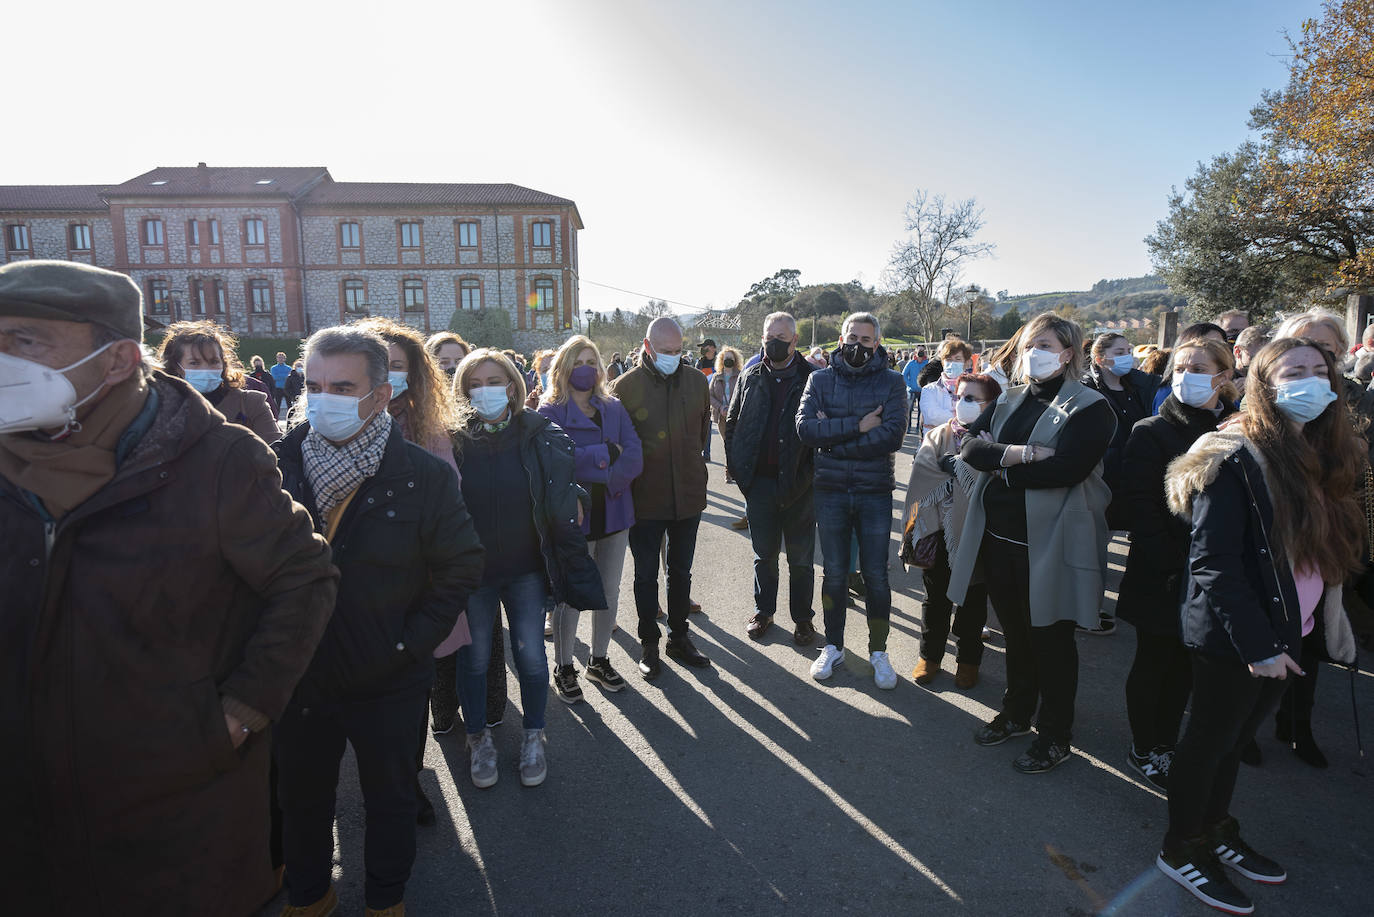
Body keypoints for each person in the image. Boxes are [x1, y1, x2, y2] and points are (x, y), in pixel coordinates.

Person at [0, 260, 338, 916]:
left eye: (26, 340)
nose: (3, 359)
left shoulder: (217, 461)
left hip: (178, 822)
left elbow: (305, 579)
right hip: (26, 833)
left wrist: (238, 714)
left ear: (118, 359)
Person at [273, 325, 482, 917]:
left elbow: (460, 567)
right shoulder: (274, 463)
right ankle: (310, 896)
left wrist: (410, 645)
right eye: (314, 385)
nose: (324, 399)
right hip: (300, 675)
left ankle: (386, 900)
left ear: (381, 395)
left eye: (342, 386)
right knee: (302, 798)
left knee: (389, 799)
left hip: (389, 675)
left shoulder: (424, 474)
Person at [1155, 336, 1362, 915]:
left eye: (1321, 370)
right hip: (1239, 634)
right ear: (1264, 383)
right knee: (1208, 742)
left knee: (1236, 741)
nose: (1311, 380)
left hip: (1287, 627)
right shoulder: (1232, 452)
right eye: (1294, 370)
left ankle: (1216, 829)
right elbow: (1213, 561)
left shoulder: (1318, 449)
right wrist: (1259, 644)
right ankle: (1181, 845)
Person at [948, 312, 1115, 773]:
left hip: (1053, 544)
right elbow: (969, 449)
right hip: (999, 540)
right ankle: (1018, 712)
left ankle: (1056, 734)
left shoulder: (1091, 407)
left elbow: (1066, 471)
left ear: (1068, 353)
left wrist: (998, 466)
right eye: (1027, 344)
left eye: (1043, 344)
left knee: (1052, 641)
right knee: (1017, 636)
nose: (1032, 352)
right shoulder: (1011, 399)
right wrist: (1018, 457)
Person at [451, 348, 604, 787]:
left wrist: (577, 495)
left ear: (514, 384)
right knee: (475, 659)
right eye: (474, 384)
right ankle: (479, 738)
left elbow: (560, 477)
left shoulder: (537, 431)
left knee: (532, 657)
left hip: (526, 569)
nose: (486, 391)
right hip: (473, 573)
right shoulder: (454, 439)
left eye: (494, 380)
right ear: (462, 391)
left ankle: (534, 734)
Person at [353, 316, 466, 825]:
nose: (387, 376)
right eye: (379, 365)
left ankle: (407, 779)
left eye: (396, 367)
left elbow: (451, 504)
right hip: (351, 588)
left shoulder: (429, 431)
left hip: (412, 585)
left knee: (409, 693)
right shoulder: (331, 423)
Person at [1116, 338, 1238, 792]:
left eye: (1199, 367)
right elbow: (1141, 506)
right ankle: (1147, 746)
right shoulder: (1151, 430)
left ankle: (1168, 742)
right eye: (1181, 366)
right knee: (1155, 660)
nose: (1185, 374)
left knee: (1188, 667)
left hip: (1215, 576)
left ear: (1224, 377)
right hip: (1164, 572)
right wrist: (1174, 565)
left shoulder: (1237, 428)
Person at [798, 311, 908, 689]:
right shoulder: (819, 378)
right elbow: (805, 429)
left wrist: (832, 440)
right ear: (839, 338)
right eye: (851, 337)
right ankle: (833, 645)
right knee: (833, 573)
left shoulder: (893, 382)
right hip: (830, 492)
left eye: (865, 340)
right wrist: (858, 426)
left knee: (876, 575)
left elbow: (892, 436)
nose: (857, 345)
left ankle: (879, 651)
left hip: (874, 492)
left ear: (877, 343)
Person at [537, 336, 643, 702]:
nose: (587, 368)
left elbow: (633, 454)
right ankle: (564, 665)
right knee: (569, 597)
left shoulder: (612, 407)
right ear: (563, 367)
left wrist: (606, 474)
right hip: (571, 516)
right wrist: (604, 455)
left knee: (608, 591)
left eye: (592, 361)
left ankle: (598, 660)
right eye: (578, 361)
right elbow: (554, 461)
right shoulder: (548, 412)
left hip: (615, 511)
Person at [613, 316, 713, 678]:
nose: (672, 356)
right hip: (645, 499)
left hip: (687, 494)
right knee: (645, 576)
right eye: (665, 351)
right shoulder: (623, 388)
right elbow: (617, 447)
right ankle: (649, 643)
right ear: (647, 346)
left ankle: (679, 637)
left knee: (681, 573)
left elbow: (702, 432)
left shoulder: (697, 381)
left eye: (678, 350)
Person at [725, 312, 818, 645]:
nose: (773, 342)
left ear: (794, 340)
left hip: (800, 487)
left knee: (801, 560)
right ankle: (764, 611)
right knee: (764, 555)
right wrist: (741, 471)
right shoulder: (750, 376)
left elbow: (821, 438)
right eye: (768, 336)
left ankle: (803, 619)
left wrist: (809, 477)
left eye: (781, 337)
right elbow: (732, 423)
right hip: (760, 486)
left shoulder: (814, 378)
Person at [904, 372, 1001, 689]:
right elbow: (923, 475)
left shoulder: (998, 439)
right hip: (937, 533)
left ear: (991, 404)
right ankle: (929, 658)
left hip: (978, 536)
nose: (962, 404)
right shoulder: (938, 435)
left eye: (972, 398)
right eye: (959, 397)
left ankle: (968, 662)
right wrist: (963, 468)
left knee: (973, 605)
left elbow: (997, 484)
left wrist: (961, 465)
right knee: (935, 602)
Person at [157, 320, 280, 443]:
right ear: (177, 367)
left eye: (214, 361)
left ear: (223, 363)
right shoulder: (160, 408)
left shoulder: (252, 403)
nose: (205, 369)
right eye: (194, 363)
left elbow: (276, 452)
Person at [1153, 323, 1228, 412]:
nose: (1212, 348)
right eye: (1179, 369)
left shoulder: (1229, 399)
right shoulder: (1167, 394)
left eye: (1218, 344)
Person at [919, 337, 974, 435]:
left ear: (966, 362)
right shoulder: (929, 389)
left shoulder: (975, 388)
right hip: (936, 444)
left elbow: (977, 415)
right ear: (943, 363)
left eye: (958, 359)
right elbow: (932, 416)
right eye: (948, 359)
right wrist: (961, 419)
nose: (952, 363)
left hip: (964, 444)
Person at [710, 345, 744, 483]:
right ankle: (729, 470)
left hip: (736, 417)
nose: (728, 360)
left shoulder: (741, 376)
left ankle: (733, 470)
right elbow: (709, 395)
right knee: (727, 444)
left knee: (736, 444)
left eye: (731, 358)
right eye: (725, 358)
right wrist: (720, 407)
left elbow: (744, 394)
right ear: (721, 360)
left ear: (735, 360)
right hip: (722, 417)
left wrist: (734, 408)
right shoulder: (716, 377)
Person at [248, 354, 281, 419]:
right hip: (255, 398)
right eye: (256, 363)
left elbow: (272, 386)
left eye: (259, 362)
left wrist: (271, 395)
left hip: (267, 396)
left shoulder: (267, 375)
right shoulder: (252, 376)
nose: (258, 364)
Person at [903, 346, 928, 429]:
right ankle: (908, 426)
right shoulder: (911, 363)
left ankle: (919, 426)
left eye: (922, 352)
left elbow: (930, 375)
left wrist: (926, 384)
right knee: (909, 409)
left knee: (921, 410)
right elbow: (904, 375)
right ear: (915, 354)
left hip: (923, 391)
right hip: (912, 390)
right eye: (919, 353)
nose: (920, 358)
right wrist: (910, 384)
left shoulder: (927, 363)